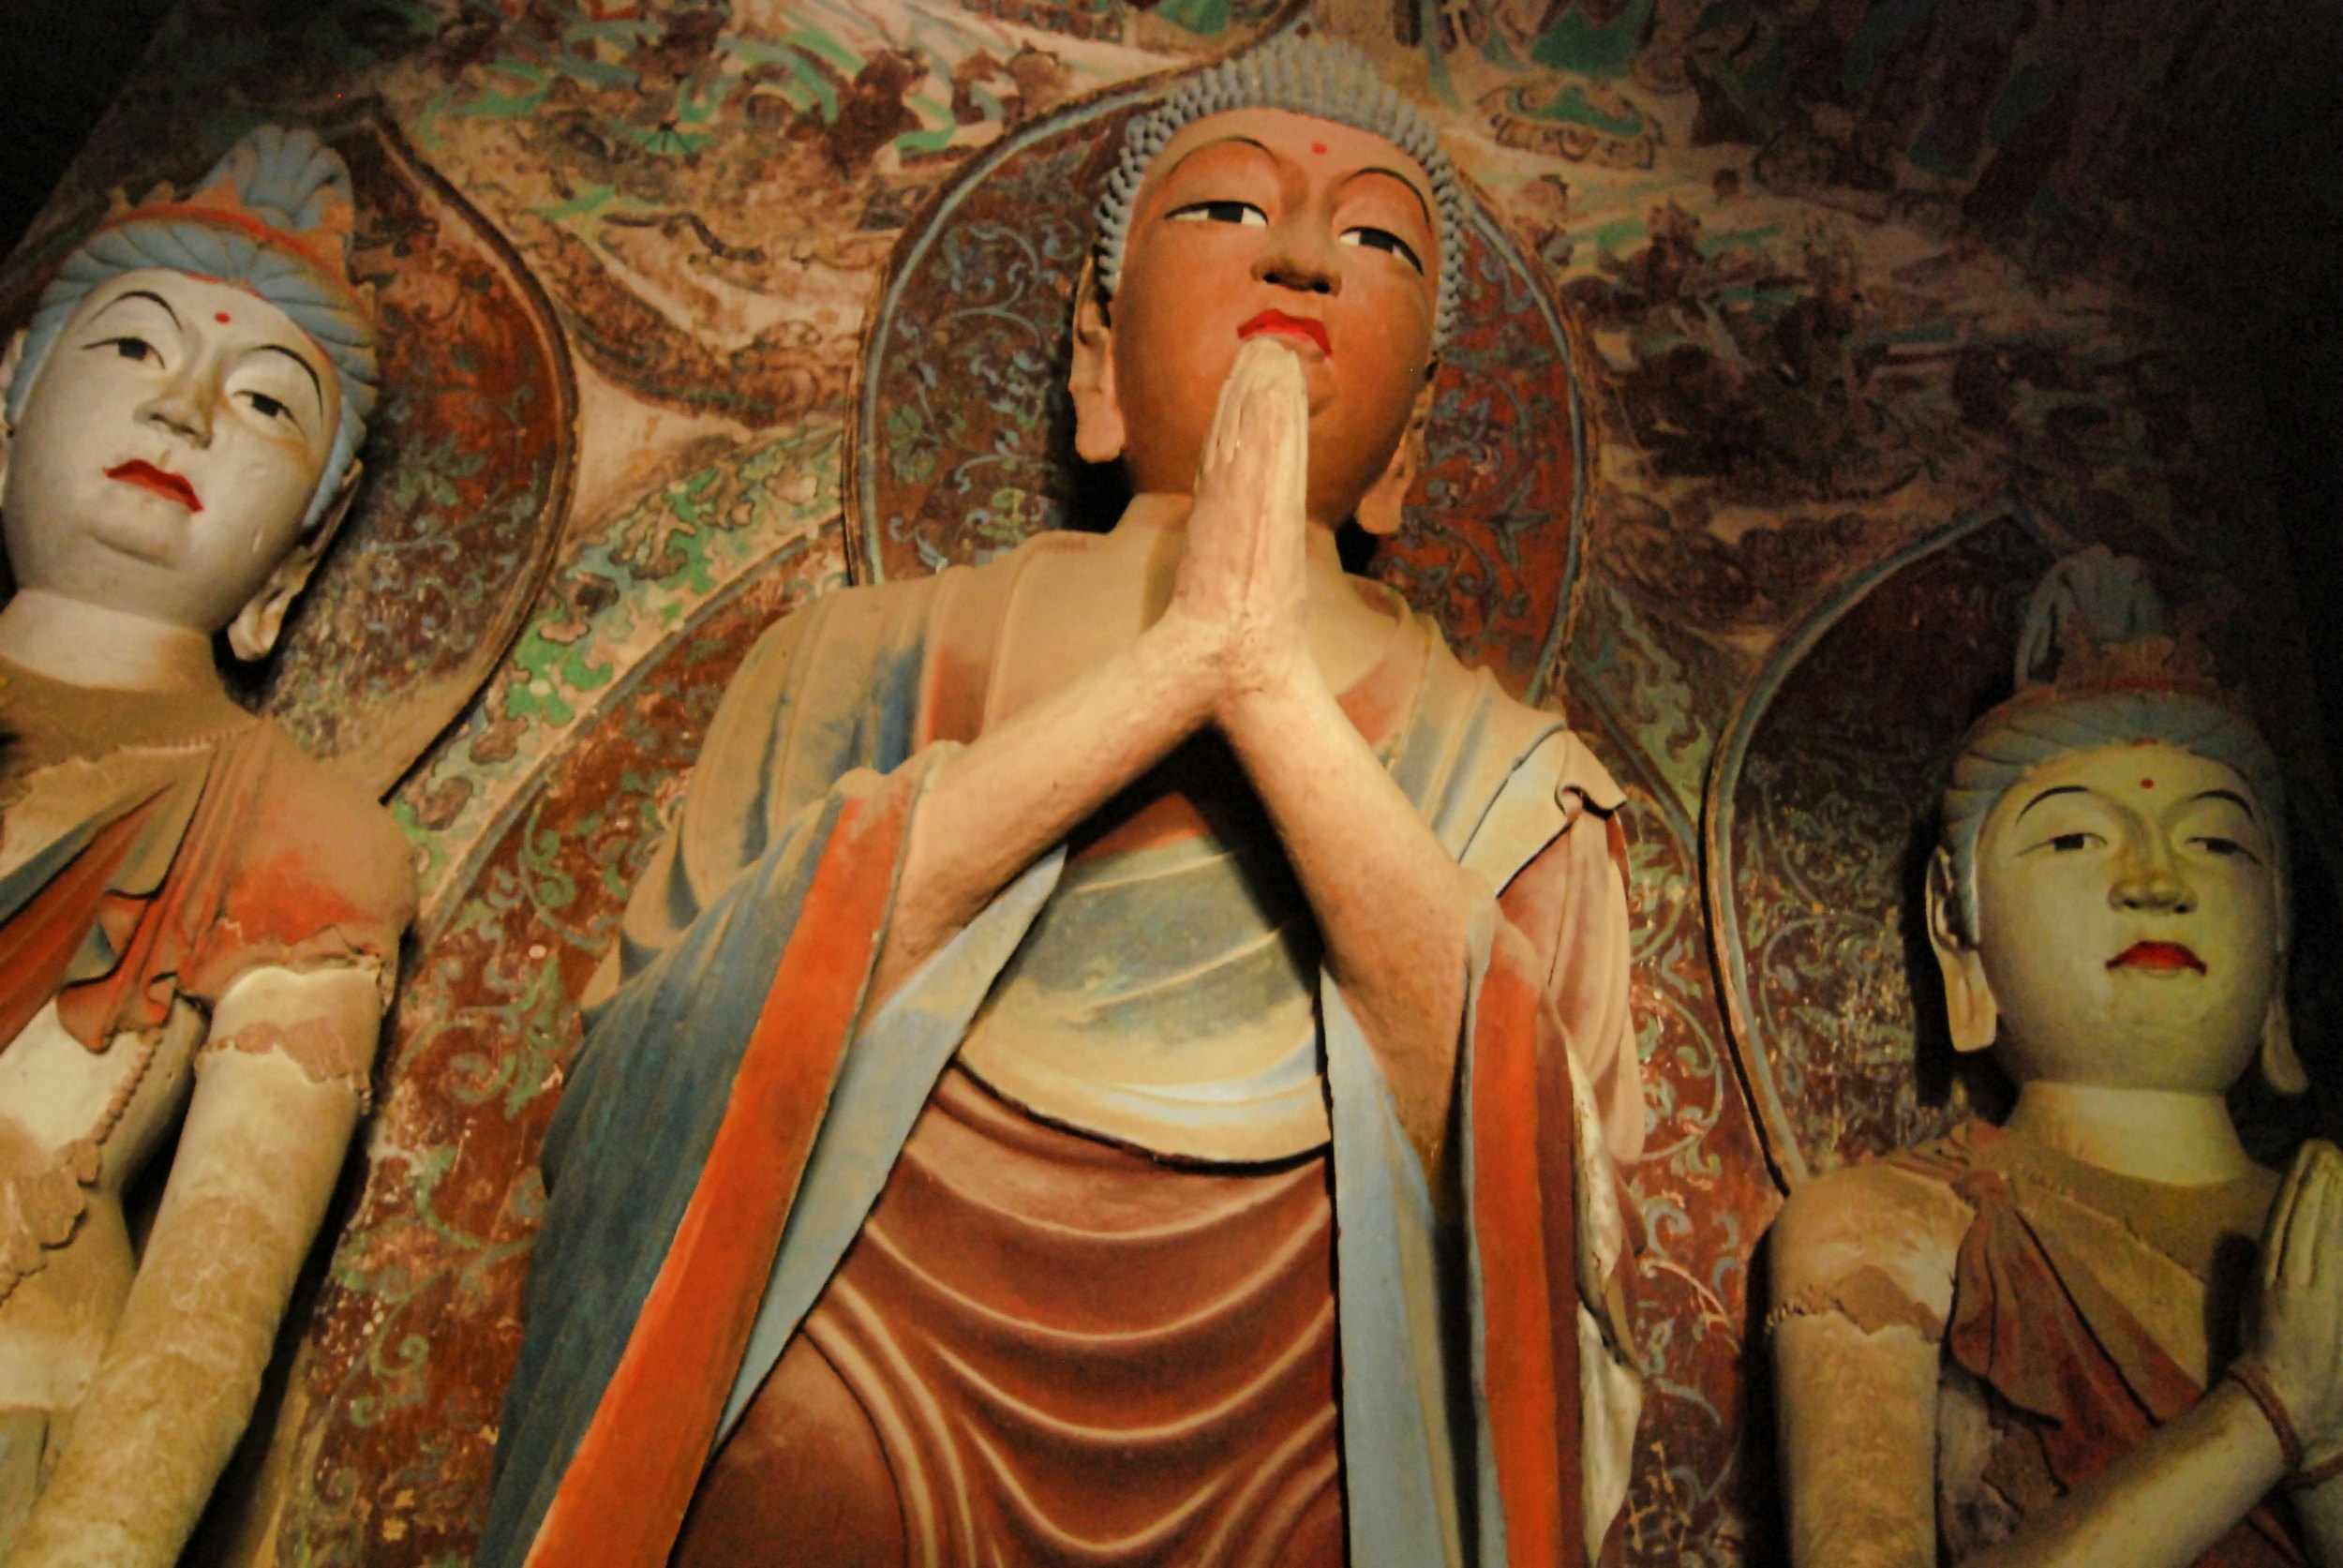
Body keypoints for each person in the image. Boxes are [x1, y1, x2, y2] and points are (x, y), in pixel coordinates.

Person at [483, 37, 1646, 1568]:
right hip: (865, 1378)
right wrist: (1173, 671)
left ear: (1413, 436)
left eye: (1375, 239)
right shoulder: (857, 662)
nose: (1301, 253)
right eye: (1225, 211)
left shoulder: (1518, 780)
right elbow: (655, 1067)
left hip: (1308, 1429)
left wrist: (1271, 691)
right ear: (1095, 348)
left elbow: (1556, 1221)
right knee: (786, 1451)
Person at [0, 127, 415, 1567]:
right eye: (127, 350)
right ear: (10, 398)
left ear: (302, 549)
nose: (180, 412)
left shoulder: (305, 835)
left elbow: (198, 1327)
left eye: (260, 402)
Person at [1768, 549, 2343, 1567]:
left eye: (2214, 844)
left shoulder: (2324, 1234)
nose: (2156, 881)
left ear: (2283, 930)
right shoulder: (1893, 1225)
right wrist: (2266, 1412)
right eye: (2077, 840)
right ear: (1958, 925)